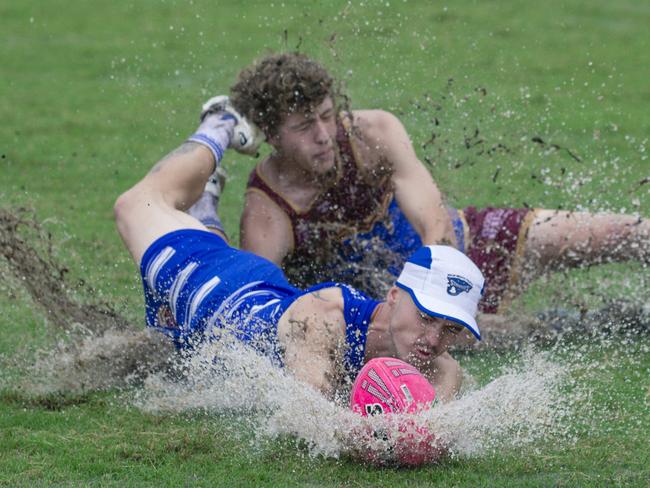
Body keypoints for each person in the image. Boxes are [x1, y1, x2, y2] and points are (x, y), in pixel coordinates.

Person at [215, 52, 648, 315]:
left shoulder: (372, 133)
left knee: (623, 234)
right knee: (521, 334)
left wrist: (444, 289)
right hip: (394, 314)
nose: (325, 134)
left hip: (464, 245)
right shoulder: (268, 210)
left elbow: (436, 226)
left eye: (327, 114)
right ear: (270, 135)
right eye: (305, 126)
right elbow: (266, 305)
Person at [114, 106, 486, 402]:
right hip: (210, 293)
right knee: (137, 204)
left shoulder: (441, 369)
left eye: (450, 328)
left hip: (264, 290)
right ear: (394, 294)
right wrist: (386, 433)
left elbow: (440, 429)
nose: (434, 340)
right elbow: (309, 413)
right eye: (425, 316)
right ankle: (220, 124)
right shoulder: (322, 318)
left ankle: (206, 203)